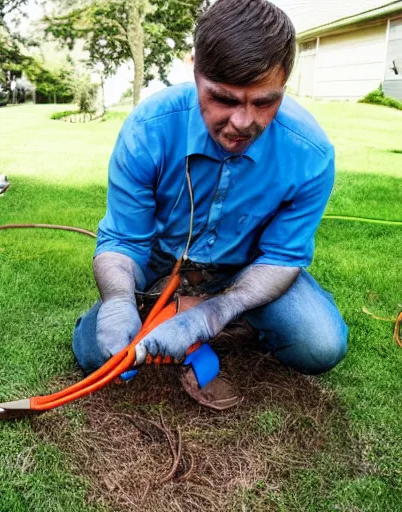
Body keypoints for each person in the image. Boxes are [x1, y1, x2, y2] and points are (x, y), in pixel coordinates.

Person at [72, 0, 348, 403]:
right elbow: (123, 242)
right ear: (195, 69)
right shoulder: (149, 129)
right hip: (160, 264)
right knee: (94, 352)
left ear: (285, 82)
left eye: (264, 101)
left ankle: (216, 317)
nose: (243, 122)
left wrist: (215, 312)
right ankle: (190, 315)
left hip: (248, 271)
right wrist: (117, 300)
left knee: (319, 343)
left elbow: (282, 257)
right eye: (225, 99)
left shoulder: (310, 154)